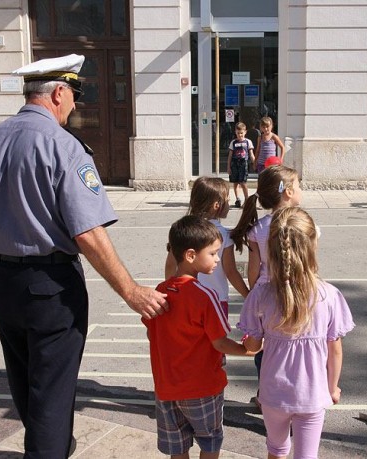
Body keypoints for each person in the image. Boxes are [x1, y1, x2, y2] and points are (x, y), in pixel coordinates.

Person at [0, 54, 168, 458]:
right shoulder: (64, 147)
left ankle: (51, 444)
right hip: (50, 287)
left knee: (25, 383)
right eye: (74, 95)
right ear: (59, 93)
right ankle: (49, 449)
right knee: (52, 394)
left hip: (2, 282)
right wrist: (131, 292)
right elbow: (88, 233)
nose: (75, 104)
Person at [238, 207, 355, 459]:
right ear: (312, 245)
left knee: (276, 449)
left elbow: (253, 345)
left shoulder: (260, 295)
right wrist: (332, 387)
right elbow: (335, 349)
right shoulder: (329, 295)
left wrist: (249, 339)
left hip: (273, 392)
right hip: (312, 393)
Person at [145, 215, 256, 458]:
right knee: (209, 441)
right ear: (191, 255)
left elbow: (151, 332)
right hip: (202, 387)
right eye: (214, 253)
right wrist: (247, 349)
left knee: (178, 447)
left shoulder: (160, 292)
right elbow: (219, 342)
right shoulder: (205, 295)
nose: (218, 259)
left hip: (167, 386)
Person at [230, 164, 302, 408]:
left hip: (265, 296)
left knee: (262, 349)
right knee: (293, 348)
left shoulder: (257, 229)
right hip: (297, 293)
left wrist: (254, 294)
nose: (301, 190)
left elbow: (253, 268)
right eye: (299, 185)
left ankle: (264, 396)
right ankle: (293, 397)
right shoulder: (302, 224)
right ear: (289, 192)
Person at [164, 176, 249, 316]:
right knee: (215, 338)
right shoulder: (223, 234)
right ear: (217, 205)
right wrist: (248, 295)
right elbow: (231, 271)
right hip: (216, 300)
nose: (229, 204)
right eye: (227, 200)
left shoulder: (183, 229)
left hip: (186, 298)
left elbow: (170, 265)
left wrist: (171, 289)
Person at [227, 122, 255, 208]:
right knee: (235, 183)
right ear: (235, 132)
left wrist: (254, 162)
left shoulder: (248, 142)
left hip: (243, 163)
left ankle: (247, 200)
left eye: (241, 133)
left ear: (245, 132)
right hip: (234, 163)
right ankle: (237, 199)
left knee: (243, 182)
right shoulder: (233, 142)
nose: (240, 135)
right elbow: (230, 155)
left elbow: (251, 153)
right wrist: (228, 167)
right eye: (238, 133)